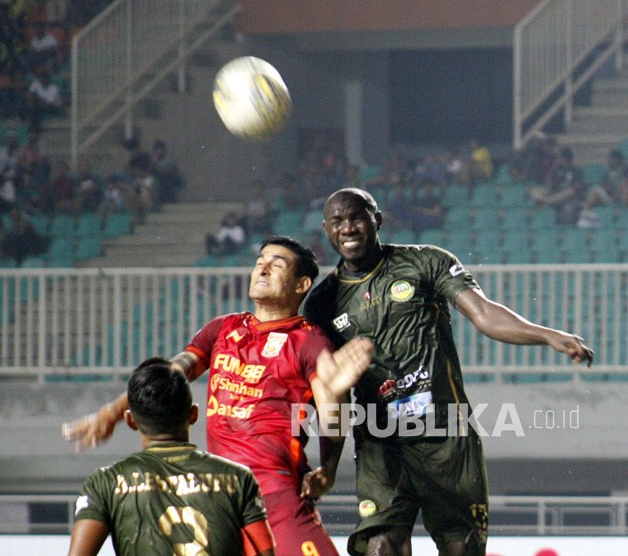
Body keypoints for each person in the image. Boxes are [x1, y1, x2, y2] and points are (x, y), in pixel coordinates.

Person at [303, 188, 595, 556]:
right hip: (380, 441)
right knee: (380, 546)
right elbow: (331, 390)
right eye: (337, 221)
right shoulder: (321, 303)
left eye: (357, 217)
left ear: (377, 219)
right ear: (326, 229)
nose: (348, 228)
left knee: (462, 549)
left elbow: (484, 313)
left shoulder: (426, 263)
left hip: (446, 436)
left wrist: (547, 335)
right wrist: (327, 463)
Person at [63, 235, 375, 556]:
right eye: (259, 263)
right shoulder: (222, 329)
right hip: (215, 497)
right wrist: (111, 413)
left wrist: (328, 464)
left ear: (301, 284)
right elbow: (166, 378)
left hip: (274, 496)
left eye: (276, 265)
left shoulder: (309, 341)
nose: (263, 270)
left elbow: (330, 406)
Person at [67, 357, 276, 556]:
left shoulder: (105, 482)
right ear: (193, 414)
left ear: (130, 420)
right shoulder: (239, 478)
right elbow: (265, 552)